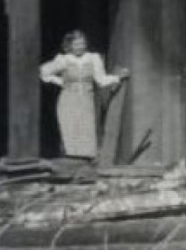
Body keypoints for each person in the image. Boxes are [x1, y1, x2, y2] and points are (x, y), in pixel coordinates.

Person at [39, 30, 126, 159]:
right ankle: (72, 161)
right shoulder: (63, 59)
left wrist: (117, 78)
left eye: (83, 43)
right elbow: (44, 72)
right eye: (77, 44)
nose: (81, 47)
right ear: (69, 46)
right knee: (70, 130)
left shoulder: (93, 58)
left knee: (86, 131)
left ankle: (85, 161)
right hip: (68, 100)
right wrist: (61, 81)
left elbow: (101, 80)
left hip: (86, 100)